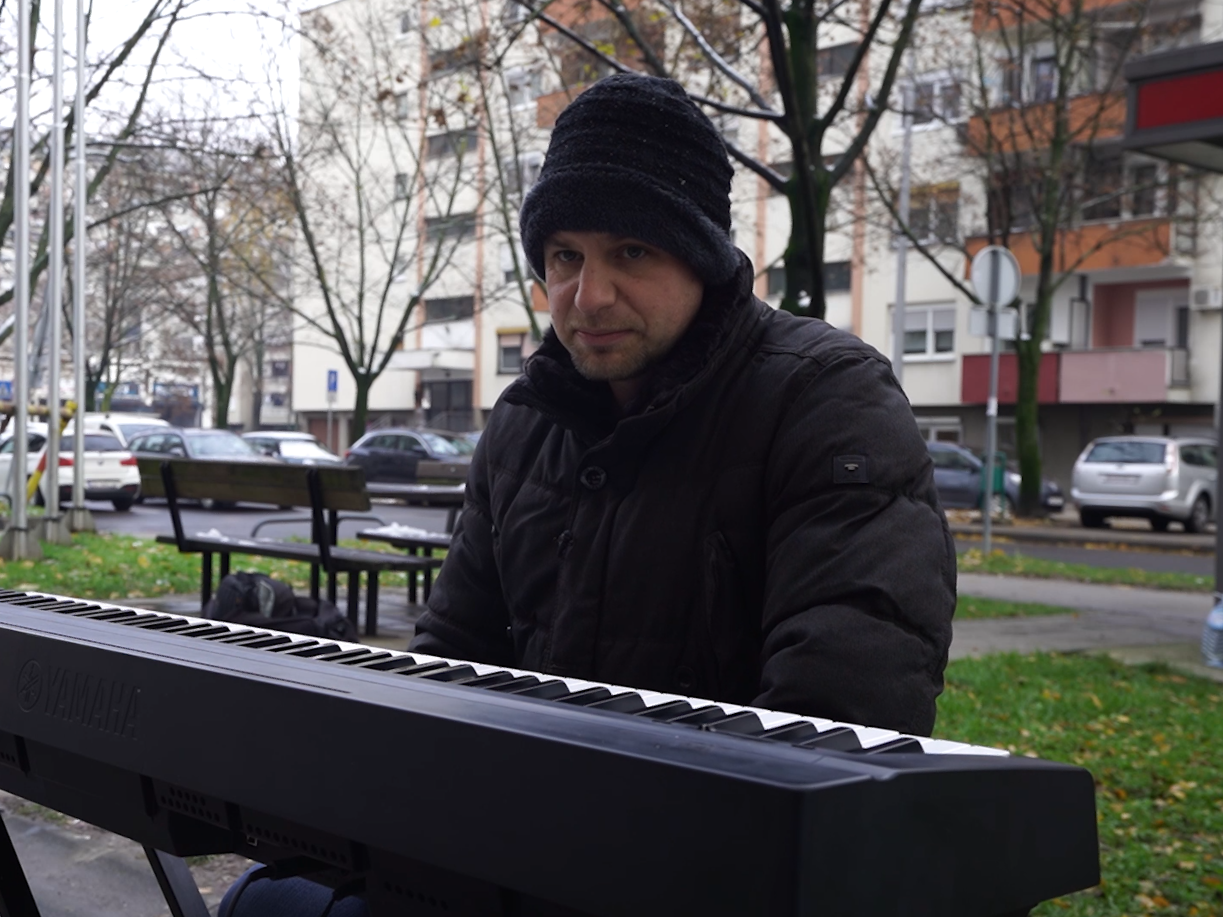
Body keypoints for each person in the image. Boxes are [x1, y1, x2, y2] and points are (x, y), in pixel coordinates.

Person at [221, 71, 955, 916]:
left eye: (631, 253)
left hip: (702, 878)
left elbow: (837, 724)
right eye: (565, 257)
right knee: (261, 900)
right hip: (508, 858)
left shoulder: (825, 402)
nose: (589, 296)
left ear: (706, 260)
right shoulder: (526, 421)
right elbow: (451, 665)